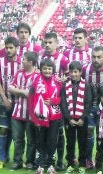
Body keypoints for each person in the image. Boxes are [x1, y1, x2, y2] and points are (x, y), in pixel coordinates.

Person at [37, 32, 69, 170]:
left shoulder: (63, 58)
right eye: (46, 42)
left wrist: (64, 80)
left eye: (51, 42)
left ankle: (60, 160)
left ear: (56, 43)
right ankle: (45, 159)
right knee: (43, 134)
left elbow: (69, 76)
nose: (48, 45)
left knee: (59, 134)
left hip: (57, 103)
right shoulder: (40, 57)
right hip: (43, 104)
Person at [28, 58, 62, 174]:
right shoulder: (36, 82)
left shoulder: (57, 82)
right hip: (40, 116)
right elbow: (31, 100)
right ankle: (41, 165)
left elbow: (63, 99)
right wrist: (34, 118)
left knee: (52, 141)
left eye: (49, 68)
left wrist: (54, 100)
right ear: (40, 69)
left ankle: (50, 164)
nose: (47, 71)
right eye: (45, 68)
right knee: (41, 141)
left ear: (53, 70)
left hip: (54, 117)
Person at [8, 51, 40, 170]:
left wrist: (28, 93)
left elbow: (38, 93)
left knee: (31, 140)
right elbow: (10, 88)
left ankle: (30, 161)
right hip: (17, 113)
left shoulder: (38, 75)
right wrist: (22, 92)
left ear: (30, 62)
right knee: (17, 139)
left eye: (24, 59)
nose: (22, 61)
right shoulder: (19, 73)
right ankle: (17, 161)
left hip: (31, 114)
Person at [0, 37, 22, 169]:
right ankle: (2, 158)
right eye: (7, 47)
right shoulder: (0, 61)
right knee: (3, 129)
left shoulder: (23, 61)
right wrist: (4, 98)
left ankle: (17, 159)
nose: (9, 50)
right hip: (5, 102)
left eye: (11, 47)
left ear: (17, 48)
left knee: (17, 132)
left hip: (20, 103)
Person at [61, 61, 92, 174]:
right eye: (71, 72)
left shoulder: (86, 85)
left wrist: (82, 119)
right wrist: (69, 119)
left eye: (76, 72)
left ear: (80, 72)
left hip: (82, 120)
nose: (73, 74)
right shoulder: (65, 86)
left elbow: (88, 103)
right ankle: (70, 163)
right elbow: (63, 104)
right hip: (69, 120)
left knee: (82, 142)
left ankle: (82, 164)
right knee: (70, 142)